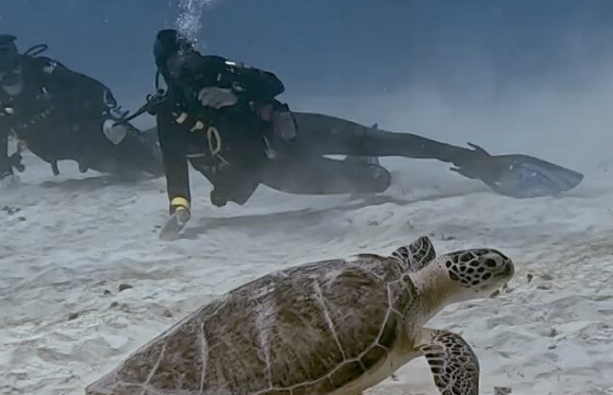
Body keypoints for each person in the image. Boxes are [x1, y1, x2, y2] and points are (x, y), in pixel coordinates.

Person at [140, 29, 583, 240]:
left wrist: (236, 93)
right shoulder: (169, 115)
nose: (191, 72)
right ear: (166, 74)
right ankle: (365, 172)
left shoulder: (221, 68)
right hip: (270, 170)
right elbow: (174, 166)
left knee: (382, 140)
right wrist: (180, 210)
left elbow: (274, 84)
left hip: (293, 132)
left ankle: (482, 164)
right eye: (180, 68)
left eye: (192, 59)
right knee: (375, 184)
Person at [0, 34, 163, 187]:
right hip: (72, 151)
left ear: (17, 56)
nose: (6, 67)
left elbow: (90, 87)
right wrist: (5, 175)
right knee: (130, 175)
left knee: (159, 166)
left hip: (97, 131)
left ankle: (167, 136)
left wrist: (107, 117)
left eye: (8, 58)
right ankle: (157, 136)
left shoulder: (42, 71)